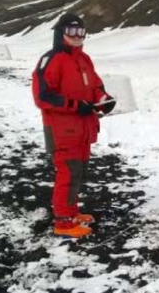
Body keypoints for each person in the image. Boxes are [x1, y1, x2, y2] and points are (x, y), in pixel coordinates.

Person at [31, 12, 116, 238]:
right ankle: (64, 222)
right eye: (71, 31)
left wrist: (103, 100)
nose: (77, 36)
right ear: (61, 33)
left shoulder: (83, 59)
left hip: (83, 129)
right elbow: (43, 96)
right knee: (68, 174)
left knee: (77, 173)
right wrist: (74, 105)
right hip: (62, 130)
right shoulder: (52, 59)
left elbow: (95, 85)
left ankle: (71, 212)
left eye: (81, 31)